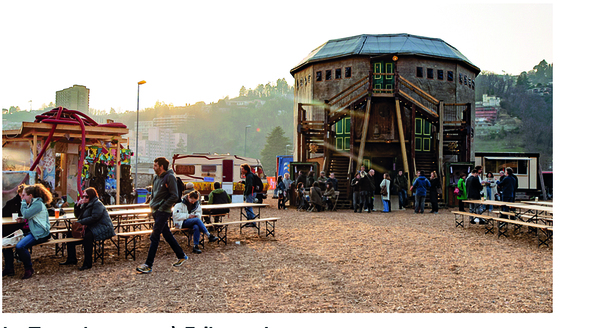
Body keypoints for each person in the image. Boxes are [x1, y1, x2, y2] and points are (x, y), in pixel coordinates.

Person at [136, 157, 188, 274]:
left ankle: (148, 264)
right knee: (167, 234)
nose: (154, 168)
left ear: (161, 167)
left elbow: (174, 195)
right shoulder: (155, 178)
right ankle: (181, 255)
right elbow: (154, 193)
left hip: (163, 211)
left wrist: (162, 206)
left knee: (154, 236)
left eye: (155, 166)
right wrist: (150, 203)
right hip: (155, 210)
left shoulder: (169, 177)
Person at [3, 184, 52, 279]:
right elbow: (29, 216)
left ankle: (28, 268)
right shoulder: (34, 203)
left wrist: (23, 203)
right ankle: (9, 268)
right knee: (7, 242)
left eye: (23, 195)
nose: (22, 197)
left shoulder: (37, 204)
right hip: (34, 231)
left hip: (40, 233)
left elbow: (25, 214)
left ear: (30, 195)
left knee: (20, 246)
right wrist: (22, 219)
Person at [59, 187, 115, 271]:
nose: (84, 198)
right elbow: (79, 216)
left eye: (86, 197)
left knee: (87, 238)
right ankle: (71, 258)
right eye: (83, 196)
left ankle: (87, 263)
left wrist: (80, 222)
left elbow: (94, 217)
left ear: (91, 196)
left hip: (102, 227)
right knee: (70, 235)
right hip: (91, 226)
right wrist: (77, 206)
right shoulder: (86, 204)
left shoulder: (97, 204)